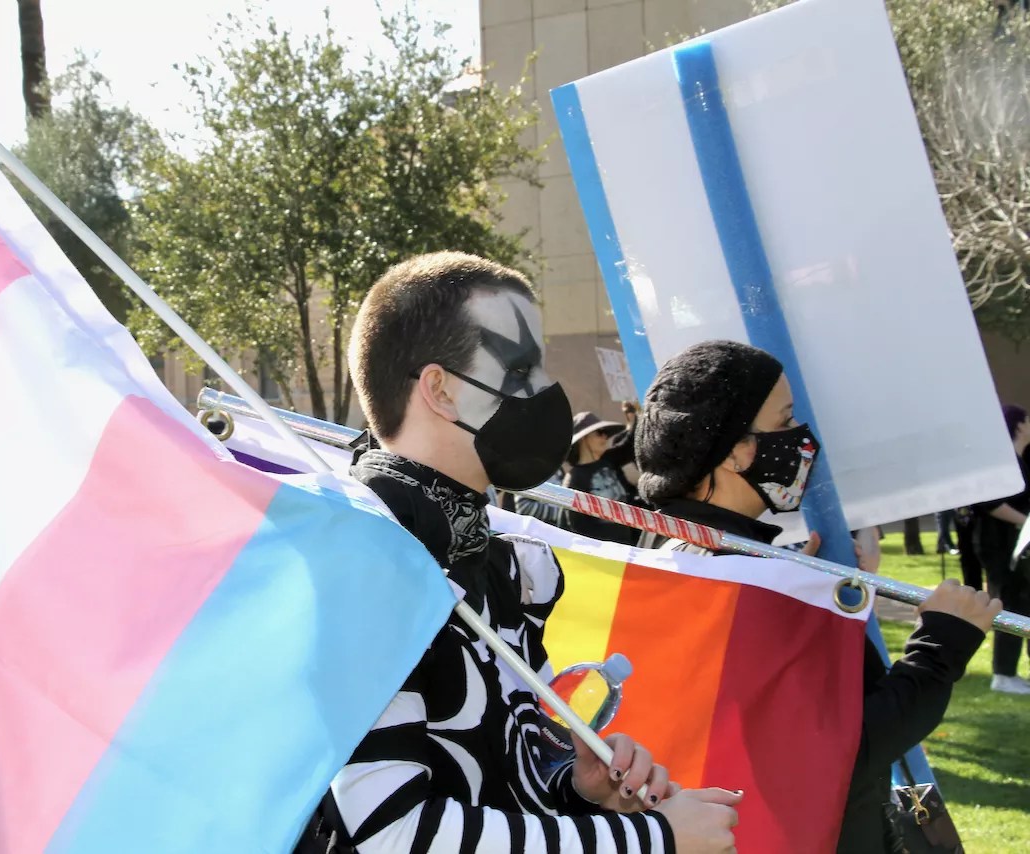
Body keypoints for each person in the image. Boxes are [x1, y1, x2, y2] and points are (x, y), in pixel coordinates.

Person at [305, 254, 743, 854]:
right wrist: (649, 840)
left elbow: (503, 763)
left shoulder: (504, 562)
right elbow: (393, 833)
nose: (545, 394)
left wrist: (574, 786)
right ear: (439, 390)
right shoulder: (361, 560)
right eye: (519, 369)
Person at [632, 340, 1000, 854]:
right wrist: (941, 646)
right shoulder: (745, 583)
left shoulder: (667, 552)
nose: (800, 438)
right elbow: (841, 749)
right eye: (784, 421)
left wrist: (806, 591)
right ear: (738, 451)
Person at [972, 405, 1030, 695]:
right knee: (1009, 605)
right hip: (999, 546)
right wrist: (1026, 522)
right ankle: (1003, 674)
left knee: (1024, 604)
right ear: (1018, 426)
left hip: (1019, 548)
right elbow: (989, 502)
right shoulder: (1002, 463)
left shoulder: (1021, 461)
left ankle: (1014, 673)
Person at [563, 412, 640, 546]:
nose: (605, 436)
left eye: (605, 432)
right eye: (599, 432)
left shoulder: (608, 461)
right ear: (584, 438)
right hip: (603, 557)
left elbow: (629, 444)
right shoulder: (574, 479)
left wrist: (635, 416)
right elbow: (576, 529)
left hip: (629, 549)